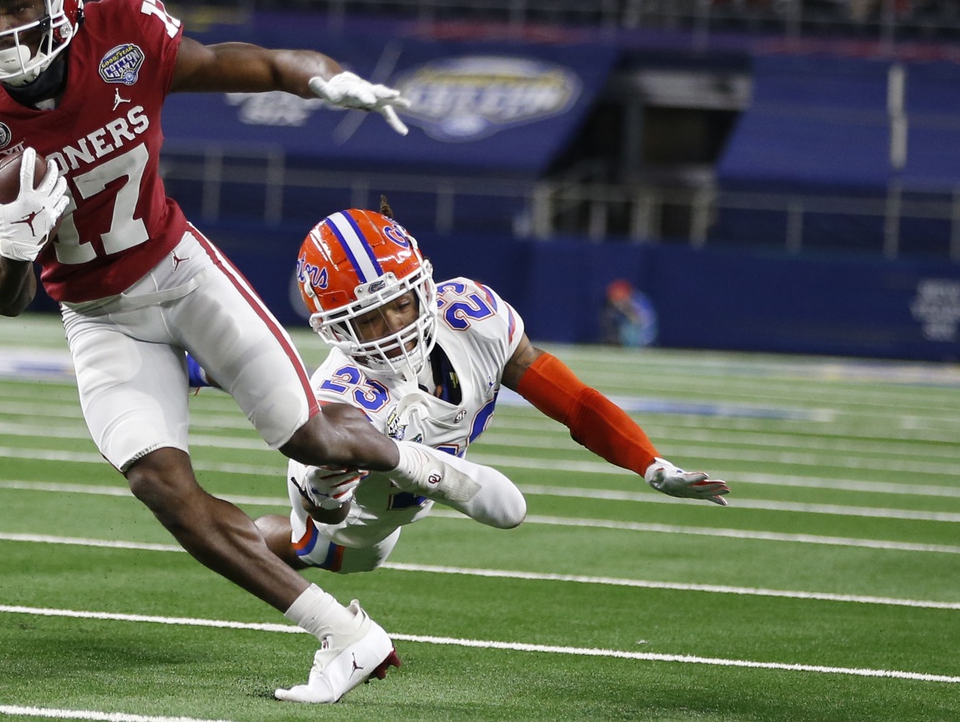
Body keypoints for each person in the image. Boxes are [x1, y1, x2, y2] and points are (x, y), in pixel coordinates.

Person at [0, 0, 526, 705]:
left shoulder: (125, 33)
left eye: (15, 5)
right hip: (98, 315)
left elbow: (255, 64)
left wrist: (324, 79)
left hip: (180, 270)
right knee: (160, 484)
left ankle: (428, 466)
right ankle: (346, 635)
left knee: (312, 434)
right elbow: (0, 291)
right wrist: (19, 250)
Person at [240, 201, 726, 575]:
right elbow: (329, 504)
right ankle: (235, 540)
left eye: (402, 303)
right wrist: (323, 497)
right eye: (367, 318)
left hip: (422, 477)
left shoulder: (473, 316)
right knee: (327, 551)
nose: (393, 326)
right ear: (335, 329)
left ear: (423, 286)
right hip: (364, 511)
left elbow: (574, 403)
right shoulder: (337, 396)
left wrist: (648, 461)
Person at [602, 279, 658, 348]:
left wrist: (626, 311)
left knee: (630, 328)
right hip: (635, 339)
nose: (615, 303)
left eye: (618, 300)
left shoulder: (637, 303)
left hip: (643, 339)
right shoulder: (633, 300)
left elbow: (639, 321)